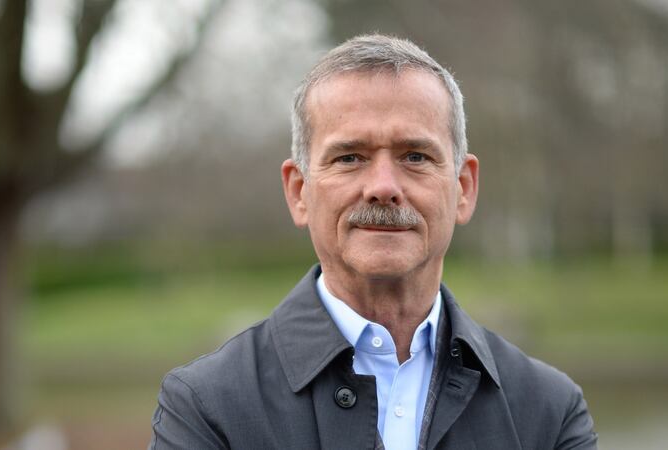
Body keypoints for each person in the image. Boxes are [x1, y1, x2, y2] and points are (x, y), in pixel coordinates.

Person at [148, 34, 597, 450]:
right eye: (350, 157)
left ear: (463, 188)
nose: (383, 186)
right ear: (298, 192)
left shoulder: (549, 412)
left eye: (415, 156)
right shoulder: (206, 409)